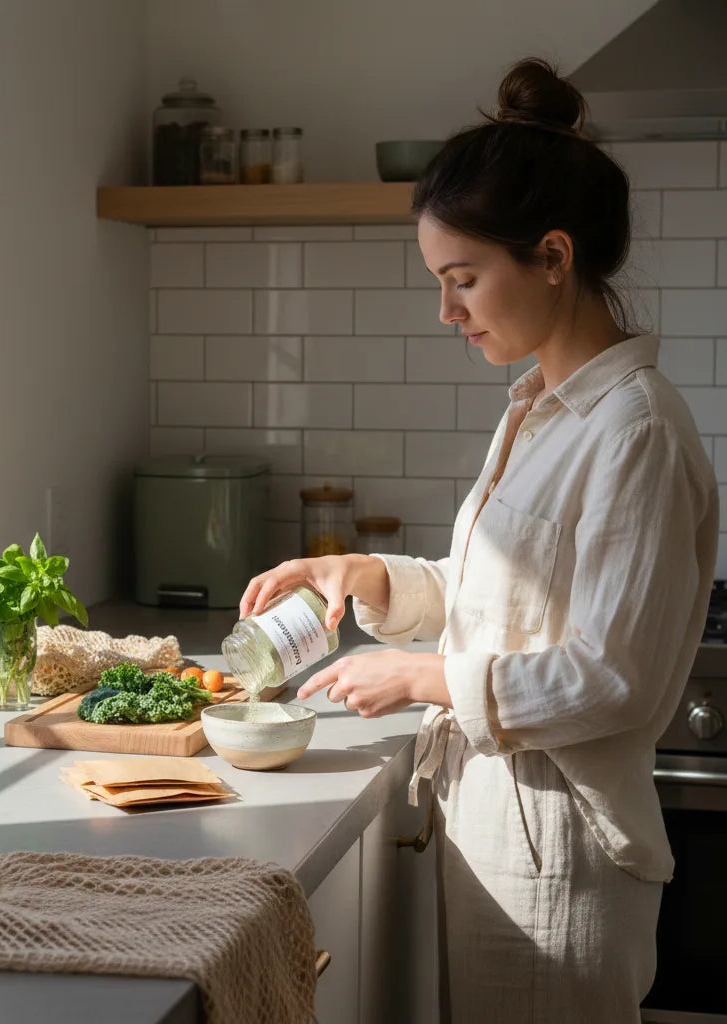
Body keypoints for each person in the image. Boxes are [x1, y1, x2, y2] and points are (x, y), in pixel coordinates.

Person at [237, 57, 719, 1023]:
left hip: (563, 863)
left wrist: (423, 678)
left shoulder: (636, 429)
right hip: (497, 831)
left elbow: (611, 674)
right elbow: (500, 587)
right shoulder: (540, 408)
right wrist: (372, 574)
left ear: (551, 255)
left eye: (463, 280)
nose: (446, 311)